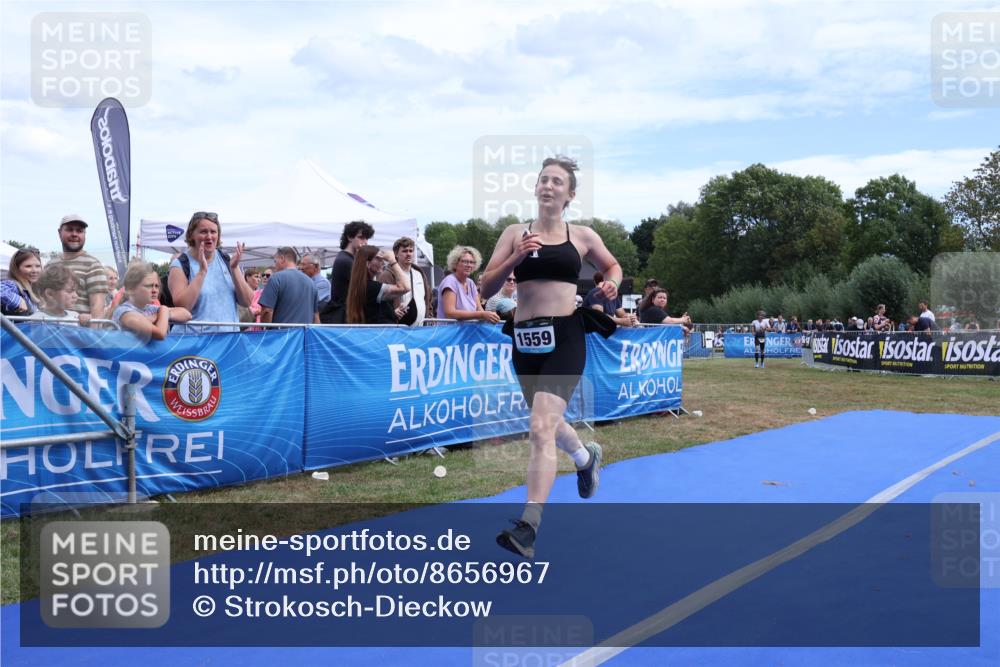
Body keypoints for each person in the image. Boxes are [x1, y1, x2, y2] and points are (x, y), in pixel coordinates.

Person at [479, 156, 621, 559]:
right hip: (524, 339)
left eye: (557, 182)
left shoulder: (582, 236)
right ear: (536, 188)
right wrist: (515, 258)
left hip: (565, 337)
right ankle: (584, 455)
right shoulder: (513, 233)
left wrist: (610, 283)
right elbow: (486, 285)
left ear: (569, 194)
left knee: (540, 426)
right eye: (543, 180)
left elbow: (612, 265)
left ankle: (529, 525)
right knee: (549, 422)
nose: (548, 186)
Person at [167, 211, 254, 333]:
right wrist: (202, 272)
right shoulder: (180, 265)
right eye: (203, 231)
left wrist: (234, 269)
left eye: (213, 232)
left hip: (227, 342)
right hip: (195, 345)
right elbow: (183, 307)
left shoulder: (227, 260)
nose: (209, 236)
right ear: (191, 235)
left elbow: (247, 301)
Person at [112, 262, 191, 340]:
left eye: (156, 286)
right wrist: (163, 310)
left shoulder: (150, 308)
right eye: (149, 286)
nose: (155, 290)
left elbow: (187, 314)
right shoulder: (124, 312)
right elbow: (160, 334)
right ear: (132, 289)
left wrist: (160, 315)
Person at [51, 214, 107, 320]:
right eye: (69, 230)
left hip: (79, 333)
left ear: (85, 234)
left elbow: (97, 309)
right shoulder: (50, 265)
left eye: (79, 231)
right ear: (59, 232)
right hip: (50, 331)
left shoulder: (93, 265)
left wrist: (92, 333)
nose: (74, 234)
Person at [322, 221, 374, 323]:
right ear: (350, 237)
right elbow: (366, 288)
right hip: (344, 317)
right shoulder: (345, 260)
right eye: (361, 237)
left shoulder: (350, 259)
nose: (365, 242)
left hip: (349, 315)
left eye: (367, 238)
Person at [436, 246, 501, 324]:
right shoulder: (450, 282)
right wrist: (482, 314)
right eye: (465, 261)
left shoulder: (471, 283)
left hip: (468, 331)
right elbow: (450, 313)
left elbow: (479, 309)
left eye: (472, 262)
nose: (469, 265)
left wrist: (489, 316)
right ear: (455, 263)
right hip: (450, 333)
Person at [346, 246, 410, 324]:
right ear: (367, 263)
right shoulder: (372, 287)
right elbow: (405, 287)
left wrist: (392, 313)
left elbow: (373, 313)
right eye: (378, 258)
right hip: (379, 334)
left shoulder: (362, 286)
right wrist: (392, 261)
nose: (382, 262)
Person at [259, 247, 320, 325]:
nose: (275, 265)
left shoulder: (275, 278)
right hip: (304, 335)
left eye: (275, 261)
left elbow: (267, 311)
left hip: (282, 335)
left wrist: (265, 329)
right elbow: (316, 316)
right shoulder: (311, 283)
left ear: (282, 258)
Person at [379, 237, 432, 327]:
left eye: (411, 251)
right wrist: (392, 313)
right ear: (396, 254)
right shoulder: (387, 275)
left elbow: (428, 298)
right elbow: (380, 304)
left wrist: (430, 317)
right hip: (398, 330)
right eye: (404, 251)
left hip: (421, 329)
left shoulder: (419, 273)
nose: (408, 254)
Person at [1, 247, 42, 316]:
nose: (34, 270)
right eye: (28, 266)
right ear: (16, 268)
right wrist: (18, 300)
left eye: (38, 266)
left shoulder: (32, 290)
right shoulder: (13, 285)